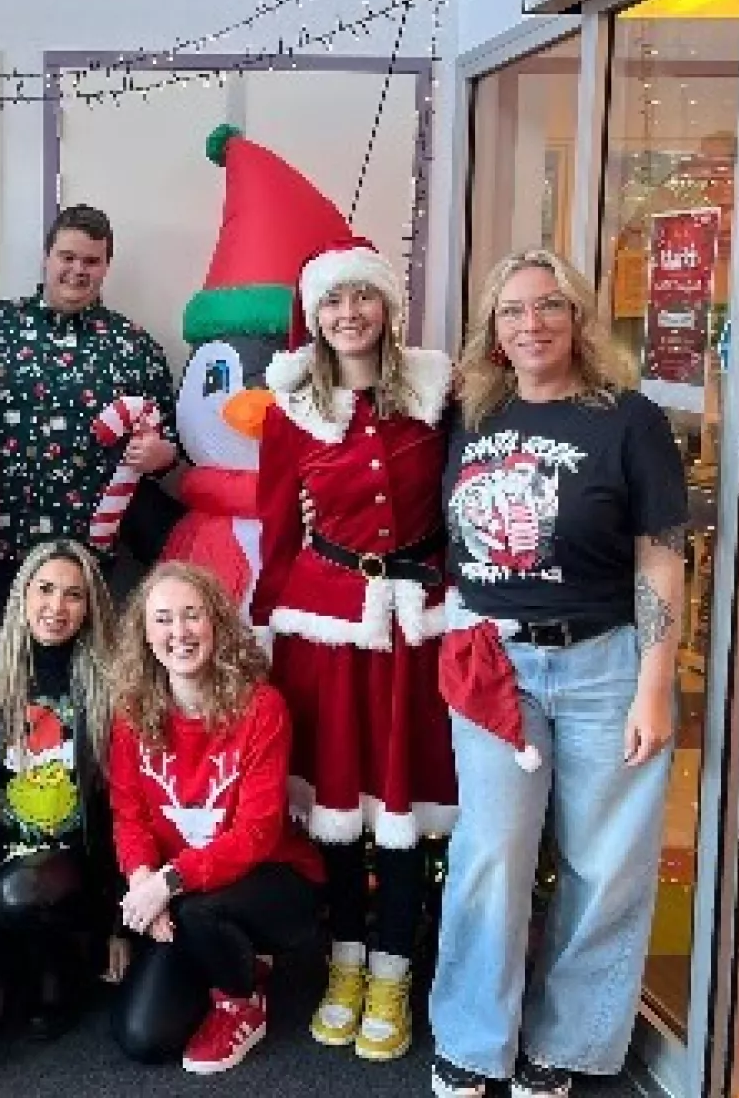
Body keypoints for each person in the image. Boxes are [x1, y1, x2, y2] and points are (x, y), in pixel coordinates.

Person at [428, 249, 687, 1098]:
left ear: (577, 318)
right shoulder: (471, 414)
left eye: (548, 306)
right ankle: (471, 1041)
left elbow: (660, 556)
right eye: (511, 311)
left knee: (604, 864)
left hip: (604, 664)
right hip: (491, 660)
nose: (530, 324)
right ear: (493, 331)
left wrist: (655, 684)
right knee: (490, 854)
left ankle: (566, 1046)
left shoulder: (629, 420)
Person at [250, 239, 458, 1061]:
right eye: (332, 301)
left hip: (416, 630)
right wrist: (265, 629)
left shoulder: (439, 395)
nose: (349, 314)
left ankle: (393, 971)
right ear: (314, 316)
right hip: (326, 629)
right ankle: (344, 963)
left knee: (403, 808)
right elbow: (276, 528)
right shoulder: (290, 411)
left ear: (387, 307)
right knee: (336, 808)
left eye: (361, 297)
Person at [107, 563, 322, 1076]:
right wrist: (142, 883)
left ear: (216, 623)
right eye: (163, 619)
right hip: (181, 890)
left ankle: (243, 1002)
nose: (179, 632)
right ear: (145, 635)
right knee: (141, 1036)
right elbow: (128, 817)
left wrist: (167, 883)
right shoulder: (132, 715)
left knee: (200, 913)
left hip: (271, 879)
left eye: (192, 615)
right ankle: (231, 957)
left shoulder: (261, 707)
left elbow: (256, 833)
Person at [0, 540, 127, 1054]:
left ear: (90, 607)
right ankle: (15, 952)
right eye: (46, 590)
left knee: (26, 892)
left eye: (74, 595)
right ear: (22, 595)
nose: (57, 607)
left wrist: (118, 925)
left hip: (70, 872)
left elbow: (127, 811)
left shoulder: (111, 687)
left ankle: (62, 968)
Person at [0, 204, 179, 605]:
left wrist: (161, 454)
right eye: (67, 257)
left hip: (88, 557)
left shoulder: (135, 347)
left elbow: (171, 437)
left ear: (106, 266)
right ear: (46, 256)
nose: (77, 270)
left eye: (91, 261)